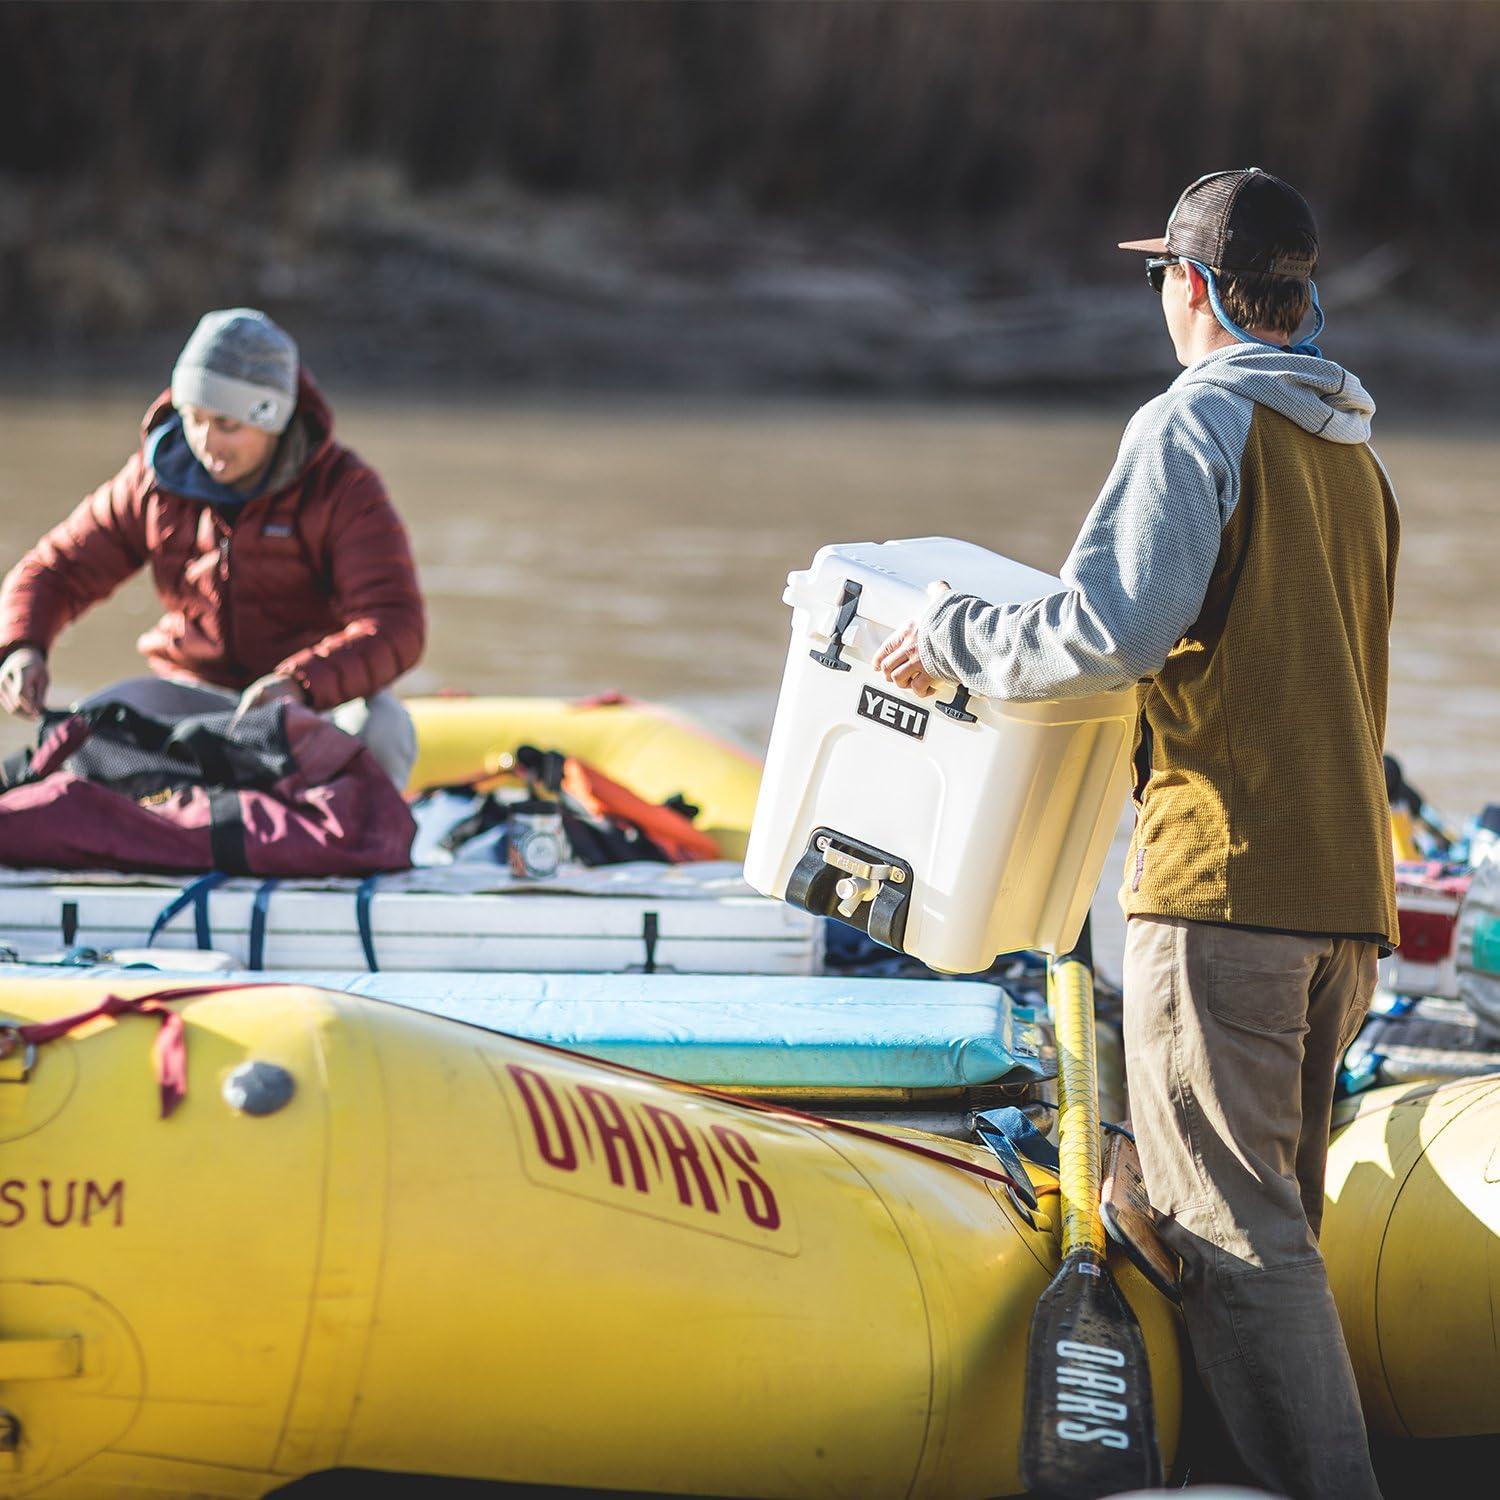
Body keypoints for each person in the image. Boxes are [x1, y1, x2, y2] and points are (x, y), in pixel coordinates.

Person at [875, 169, 1397, 1499]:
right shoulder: (1353, 451)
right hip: (1350, 903)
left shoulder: (1192, 425)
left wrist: (951, 636)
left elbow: (1105, 636)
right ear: (1301, 292)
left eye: (1162, 273)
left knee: (1236, 1239)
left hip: (1224, 891)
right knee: (1280, 1224)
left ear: (1191, 285)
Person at [0, 309, 425, 787]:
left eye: (227, 424)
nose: (206, 443)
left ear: (273, 419)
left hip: (311, 705)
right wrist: (22, 646)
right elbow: (57, 568)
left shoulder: (346, 491)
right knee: (85, 725)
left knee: (383, 726)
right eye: (195, 418)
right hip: (193, 694)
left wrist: (301, 684)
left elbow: (396, 624)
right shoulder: (154, 479)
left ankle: (357, 848)